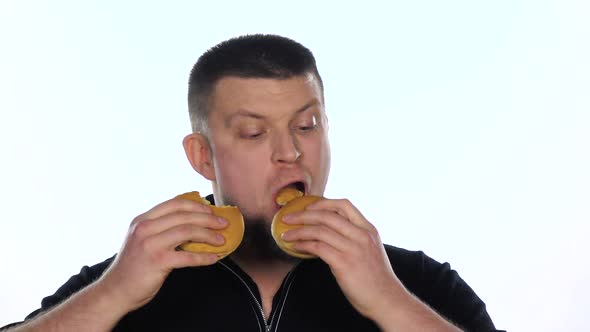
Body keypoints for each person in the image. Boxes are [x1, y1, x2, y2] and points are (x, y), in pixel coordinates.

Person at [2, 34, 502, 332]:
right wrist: (112, 295)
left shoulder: (417, 282)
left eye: (306, 126)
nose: (290, 151)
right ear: (203, 156)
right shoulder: (127, 278)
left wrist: (386, 299)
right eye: (254, 132)